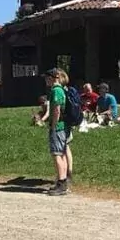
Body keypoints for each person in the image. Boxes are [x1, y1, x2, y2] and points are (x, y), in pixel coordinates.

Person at [45, 68, 73, 196]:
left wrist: (54, 125)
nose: (46, 80)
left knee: (57, 154)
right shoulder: (62, 89)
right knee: (62, 154)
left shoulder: (56, 90)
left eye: (47, 78)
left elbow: (56, 110)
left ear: (52, 78)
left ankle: (61, 183)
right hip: (64, 126)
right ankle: (63, 182)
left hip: (58, 127)